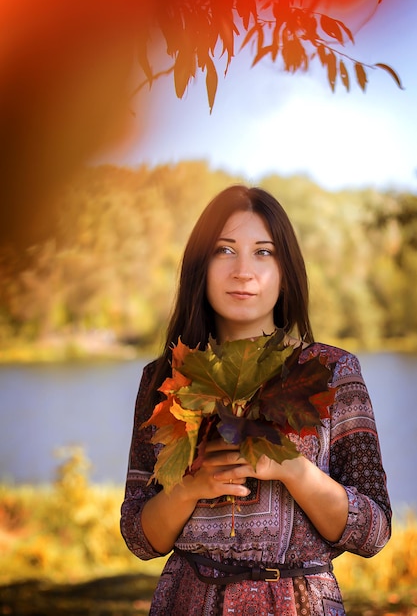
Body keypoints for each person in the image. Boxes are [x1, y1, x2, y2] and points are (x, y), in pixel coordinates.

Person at [120, 185, 391, 616]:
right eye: (224, 251)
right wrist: (191, 487)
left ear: (286, 270)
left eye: (263, 252)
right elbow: (138, 536)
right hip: (187, 603)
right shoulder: (164, 380)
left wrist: (293, 470)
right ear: (199, 266)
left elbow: (373, 533)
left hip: (301, 605)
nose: (243, 271)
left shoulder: (332, 372)